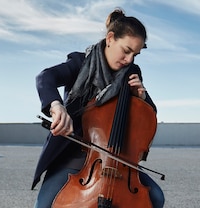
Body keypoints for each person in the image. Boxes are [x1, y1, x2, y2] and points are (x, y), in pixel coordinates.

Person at [32, 8, 164, 208]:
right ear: (110, 38)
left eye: (135, 54)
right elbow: (45, 77)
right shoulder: (80, 63)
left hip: (118, 160)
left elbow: (146, 114)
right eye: (126, 50)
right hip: (74, 153)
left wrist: (143, 97)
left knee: (156, 198)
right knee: (43, 205)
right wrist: (56, 106)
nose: (129, 60)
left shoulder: (132, 72)